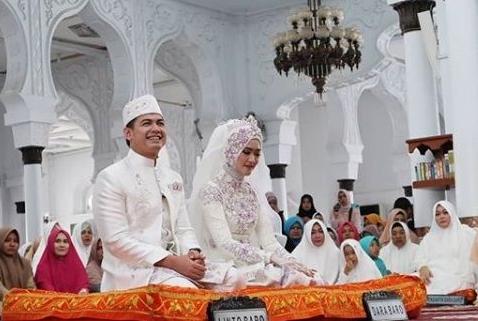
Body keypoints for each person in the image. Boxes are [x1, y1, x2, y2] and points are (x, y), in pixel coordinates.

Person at [93, 94, 242, 292]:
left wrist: (192, 254)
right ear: (128, 133)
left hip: (176, 265)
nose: (156, 129)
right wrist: (171, 261)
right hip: (136, 272)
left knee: (234, 279)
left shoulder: (173, 178)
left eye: (160, 123)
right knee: (185, 291)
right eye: (146, 123)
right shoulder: (111, 177)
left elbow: (184, 228)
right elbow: (116, 242)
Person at [189, 118, 318, 287]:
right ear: (231, 151)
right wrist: (268, 258)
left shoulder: (251, 192)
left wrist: (290, 260)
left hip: (255, 261)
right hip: (225, 263)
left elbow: (269, 242)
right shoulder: (212, 190)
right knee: (254, 279)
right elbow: (225, 243)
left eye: (257, 154)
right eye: (247, 151)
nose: (253, 159)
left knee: (306, 278)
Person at [416, 201, 478, 294]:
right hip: (433, 275)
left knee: (445, 282)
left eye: (445, 212)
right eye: (437, 214)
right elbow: (419, 259)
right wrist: (422, 267)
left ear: (452, 213)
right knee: (413, 279)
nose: (441, 216)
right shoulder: (429, 238)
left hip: (457, 275)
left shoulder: (466, 233)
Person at [0, 227, 35, 318]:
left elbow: (31, 289)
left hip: (21, 301)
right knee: (7, 310)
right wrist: (21, 302)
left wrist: (31, 302)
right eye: (7, 241)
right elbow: (0, 292)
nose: (12, 244)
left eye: (15, 241)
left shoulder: (24, 264)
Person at [34, 224, 89, 294]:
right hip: (52, 303)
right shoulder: (43, 267)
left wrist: (83, 291)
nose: (62, 245)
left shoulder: (76, 264)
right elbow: (45, 287)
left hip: (75, 303)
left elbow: (83, 283)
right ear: (51, 243)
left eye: (65, 241)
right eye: (57, 241)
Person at [292, 219, 340, 285]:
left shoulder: (336, 253)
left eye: (320, 231)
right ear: (307, 235)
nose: (317, 236)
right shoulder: (297, 255)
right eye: (313, 233)